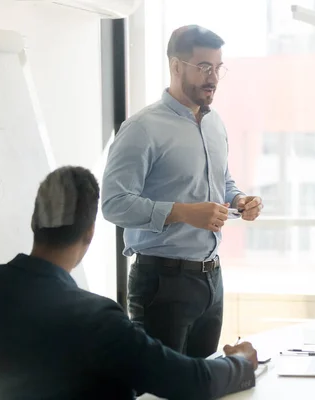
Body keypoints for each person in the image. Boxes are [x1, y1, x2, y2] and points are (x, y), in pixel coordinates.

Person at [0, 167, 258, 400]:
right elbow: (192, 380)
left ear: (34, 222)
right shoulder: (97, 320)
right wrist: (240, 362)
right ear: (89, 234)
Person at [101, 25, 263, 358]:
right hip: (162, 281)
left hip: (211, 279)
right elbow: (114, 204)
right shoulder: (142, 128)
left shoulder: (215, 123)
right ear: (176, 66)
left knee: (202, 385)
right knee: (162, 389)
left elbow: (223, 181)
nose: (214, 77)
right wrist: (183, 212)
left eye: (218, 68)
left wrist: (239, 200)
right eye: (204, 67)